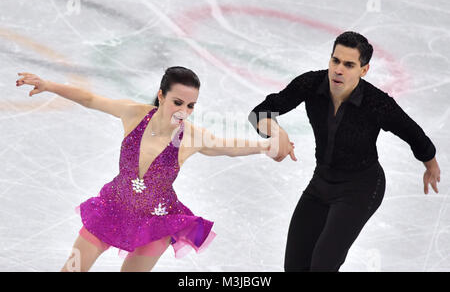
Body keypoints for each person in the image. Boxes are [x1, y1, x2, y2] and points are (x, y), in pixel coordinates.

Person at [16, 66, 277, 272]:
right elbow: (90, 98)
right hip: (110, 209)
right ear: (161, 95)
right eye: (177, 102)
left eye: (190, 105)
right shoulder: (135, 114)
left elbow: (227, 146)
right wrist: (48, 85)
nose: (183, 111)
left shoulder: (191, 137)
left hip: (155, 222)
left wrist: (267, 146)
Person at [248, 31, 441, 272]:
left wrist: (431, 164)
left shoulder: (376, 103)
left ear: (364, 70)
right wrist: (275, 132)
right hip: (321, 183)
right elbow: (260, 113)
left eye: (349, 64)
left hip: (361, 188)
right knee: (295, 266)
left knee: (322, 265)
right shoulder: (311, 84)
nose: (339, 69)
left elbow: (414, 134)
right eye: (335, 61)